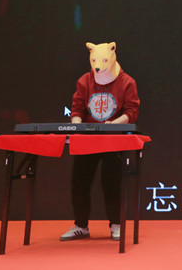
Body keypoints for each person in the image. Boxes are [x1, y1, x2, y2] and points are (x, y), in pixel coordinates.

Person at [60, 42, 140, 242]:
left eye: (103, 61)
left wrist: (115, 124)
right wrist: (77, 127)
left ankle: (116, 224)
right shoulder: (84, 81)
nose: (98, 67)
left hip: (113, 140)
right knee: (79, 182)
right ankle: (80, 225)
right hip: (88, 140)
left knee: (112, 182)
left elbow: (132, 111)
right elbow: (77, 108)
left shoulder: (127, 82)